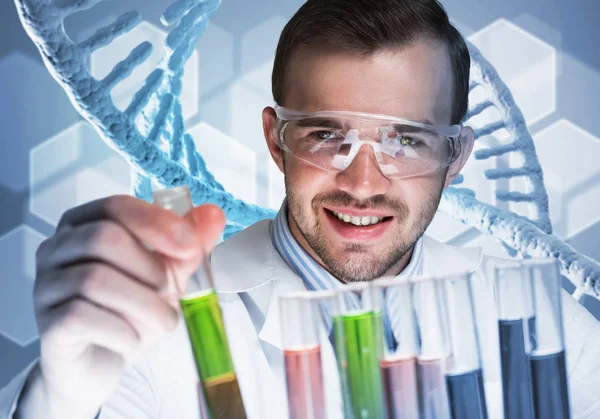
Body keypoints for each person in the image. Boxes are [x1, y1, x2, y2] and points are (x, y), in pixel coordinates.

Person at [2, 0, 600, 417]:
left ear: (457, 154)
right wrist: (61, 397)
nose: (363, 183)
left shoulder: (550, 331)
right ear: (275, 139)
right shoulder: (159, 326)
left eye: (408, 140)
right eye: (325, 135)